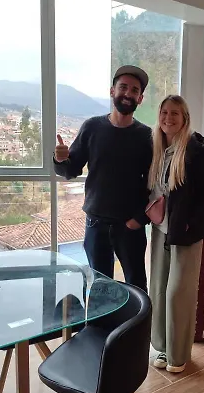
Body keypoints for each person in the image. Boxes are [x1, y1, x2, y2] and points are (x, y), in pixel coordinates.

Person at [53, 65, 152, 291]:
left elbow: (153, 183)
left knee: (137, 287)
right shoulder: (92, 127)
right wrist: (60, 159)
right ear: (112, 91)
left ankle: (138, 319)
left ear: (140, 98)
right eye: (123, 87)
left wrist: (139, 219)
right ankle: (102, 318)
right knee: (100, 289)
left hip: (131, 227)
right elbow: (70, 171)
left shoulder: (147, 136)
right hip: (96, 224)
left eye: (134, 90)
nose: (128, 94)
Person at [148, 95, 204, 373]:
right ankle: (162, 347)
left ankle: (178, 355)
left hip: (186, 234)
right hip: (160, 230)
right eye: (164, 112)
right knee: (159, 290)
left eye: (175, 113)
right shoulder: (157, 147)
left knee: (178, 293)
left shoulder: (194, 150)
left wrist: (191, 222)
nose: (168, 118)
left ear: (185, 118)